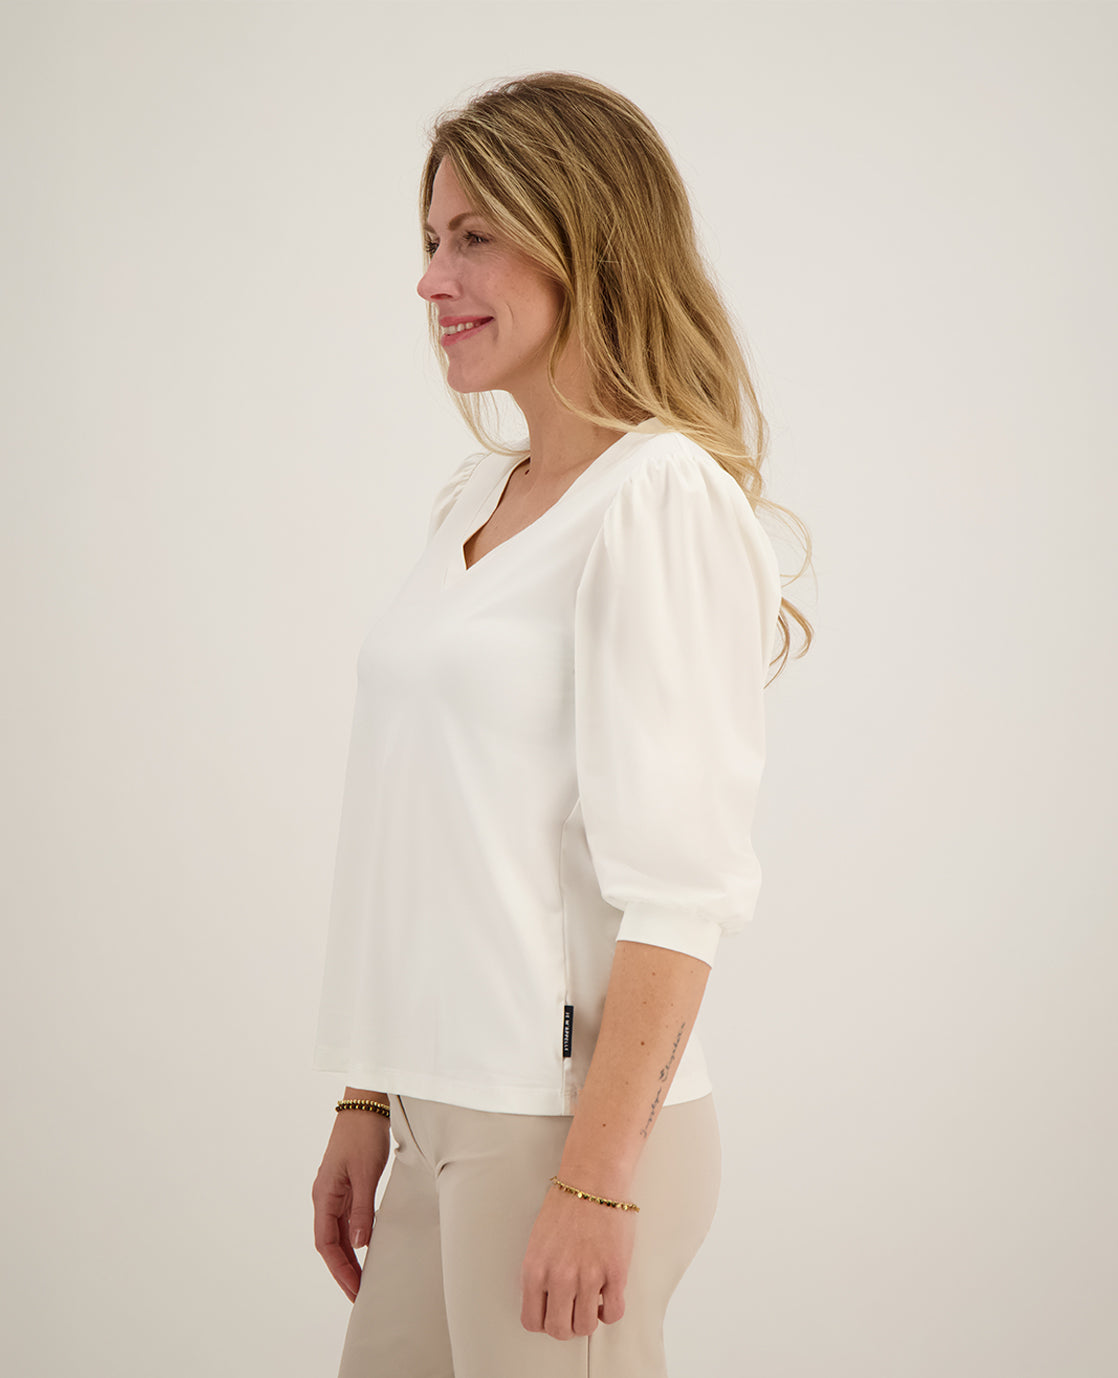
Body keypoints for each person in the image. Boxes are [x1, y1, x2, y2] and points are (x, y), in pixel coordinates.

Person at [311, 70, 813, 1378]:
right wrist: (370, 1090)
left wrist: (593, 1179)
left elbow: (680, 889)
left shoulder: (659, 496)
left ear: (581, 236)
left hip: (561, 1133)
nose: (432, 279)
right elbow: (426, 824)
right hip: (436, 1107)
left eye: (474, 236)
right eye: (432, 238)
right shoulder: (475, 499)